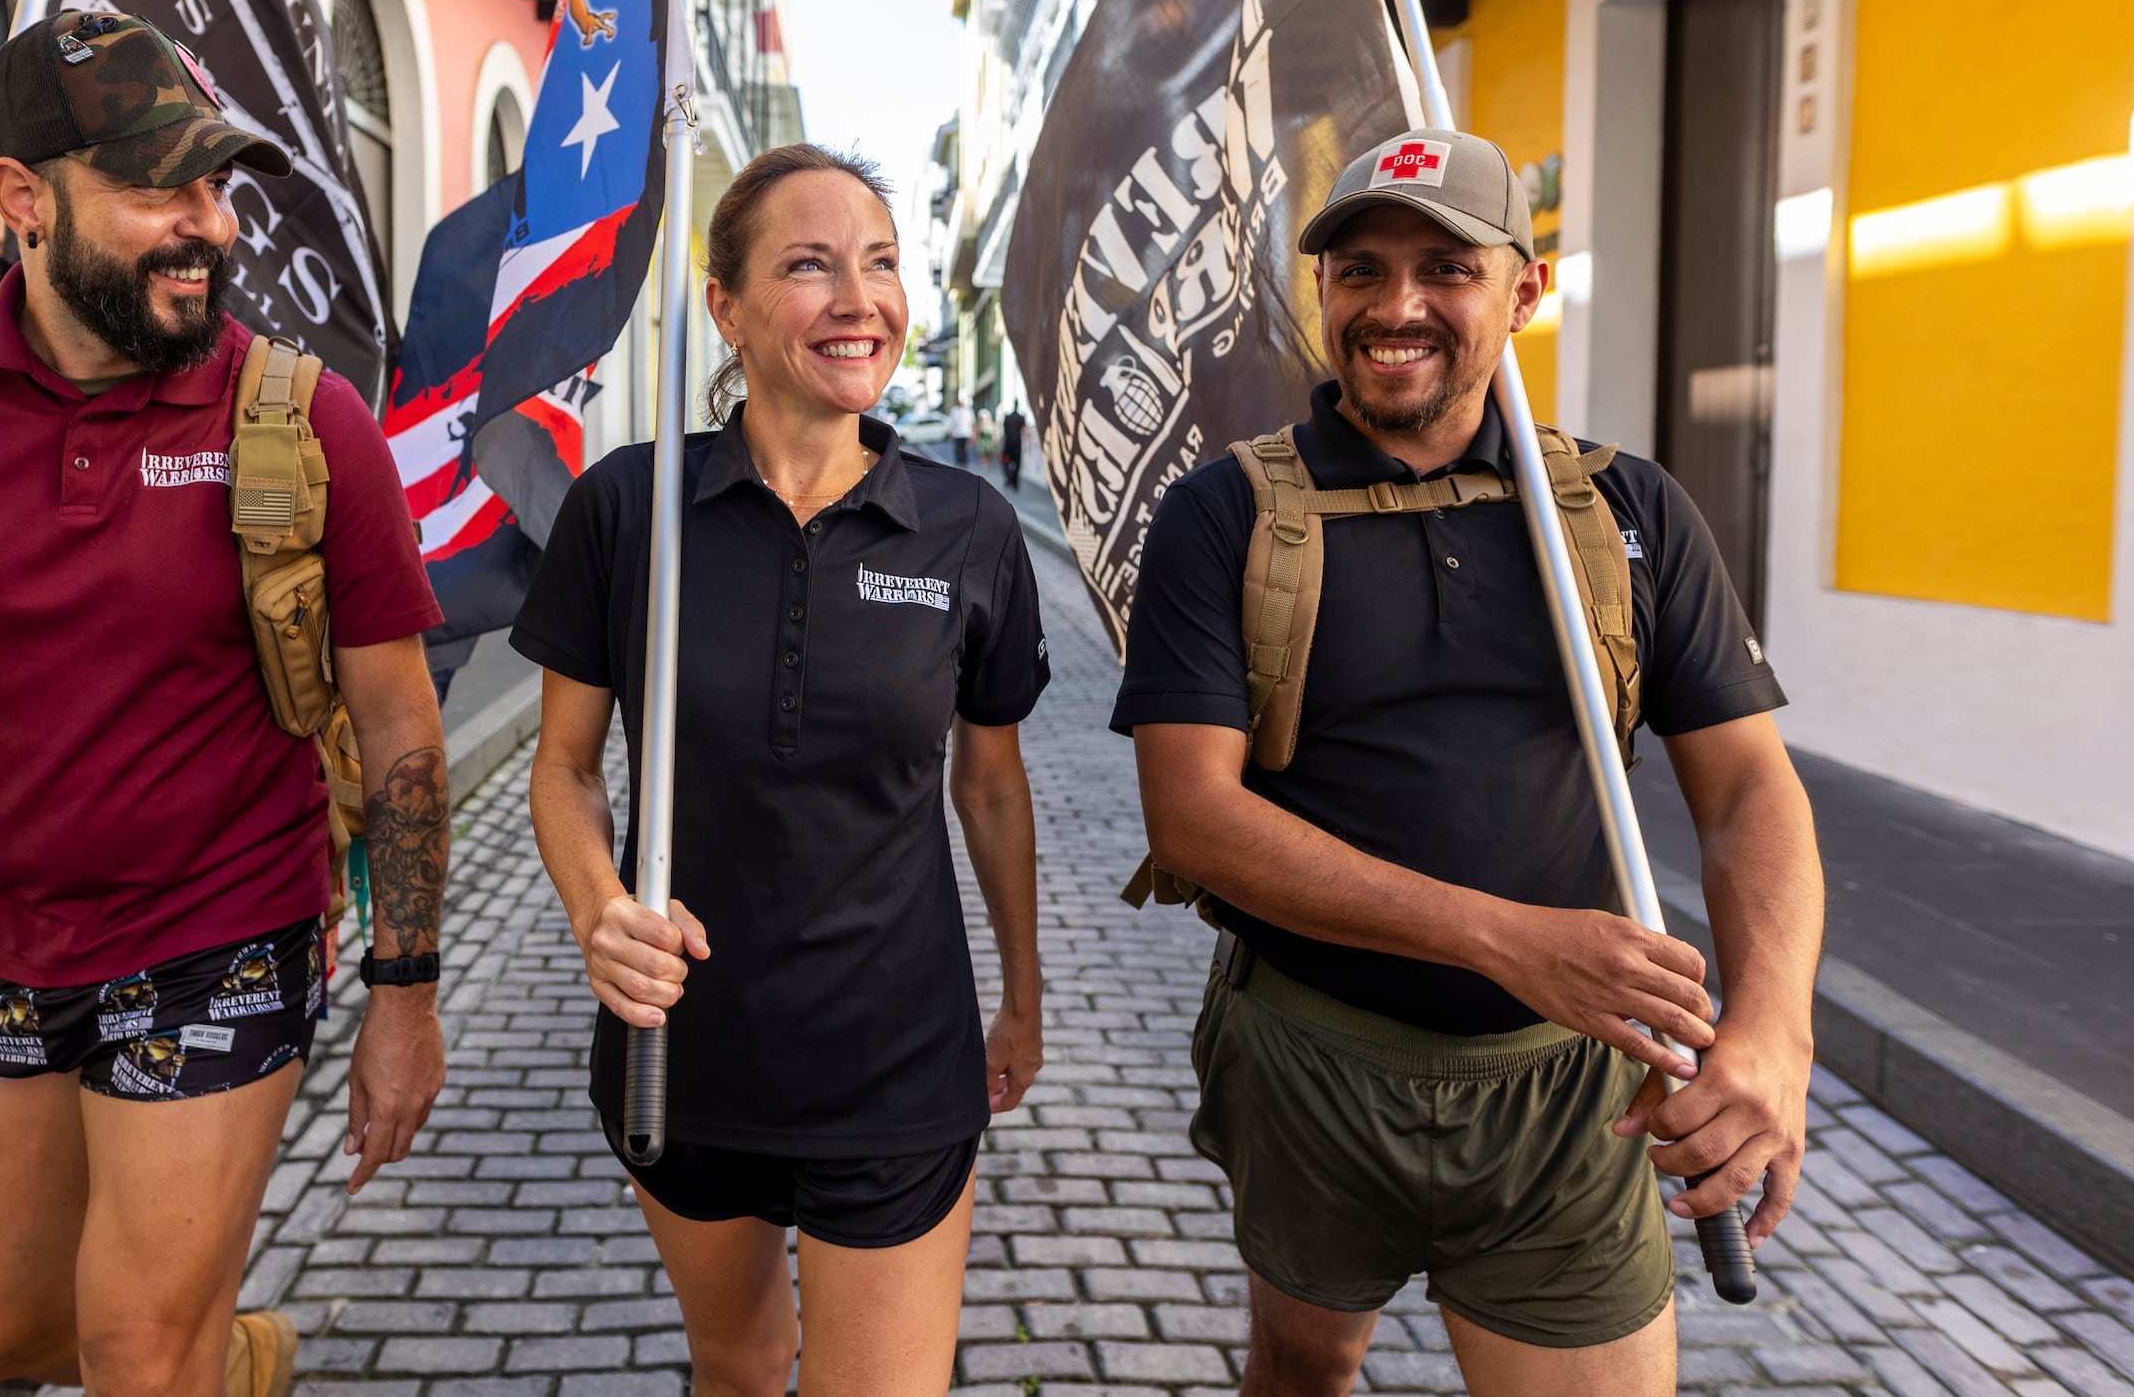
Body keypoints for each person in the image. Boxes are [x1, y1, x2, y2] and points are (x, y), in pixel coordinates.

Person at [0, 12, 453, 1397]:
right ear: (21, 199)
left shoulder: (302, 420)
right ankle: (229, 1360)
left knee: (133, 1352)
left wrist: (403, 995)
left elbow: (405, 727)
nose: (206, 226)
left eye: (213, 187)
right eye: (153, 191)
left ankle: (180, 1354)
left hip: (220, 935)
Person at [1114, 128, 1822, 1397]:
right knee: (1302, 1369)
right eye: (1360, 270)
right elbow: (1192, 823)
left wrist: (1773, 1029)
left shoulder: (1625, 510)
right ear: (1320, 291)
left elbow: (1748, 788)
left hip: (1569, 1100)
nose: (1397, 307)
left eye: (1446, 267)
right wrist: (1504, 937)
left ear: (1522, 290)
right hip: (1308, 1060)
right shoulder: (1224, 513)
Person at [513, 143, 1050, 1397]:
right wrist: (600, 911)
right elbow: (563, 771)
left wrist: (1020, 993)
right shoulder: (627, 512)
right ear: (726, 307)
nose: (857, 299)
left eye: (878, 264)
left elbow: (990, 786)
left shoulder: (970, 529)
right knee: (742, 1368)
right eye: (808, 266)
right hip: (677, 1055)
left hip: (897, 1063)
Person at [999, 404, 1027, 493]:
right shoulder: (1021, 417)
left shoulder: (1007, 417)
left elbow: (1004, 430)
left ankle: (1009, 478)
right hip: (1017, 444)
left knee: (1005, 461)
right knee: (1017, 464)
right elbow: (1025, 431)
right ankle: (1014, 483)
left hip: (1008, 444)